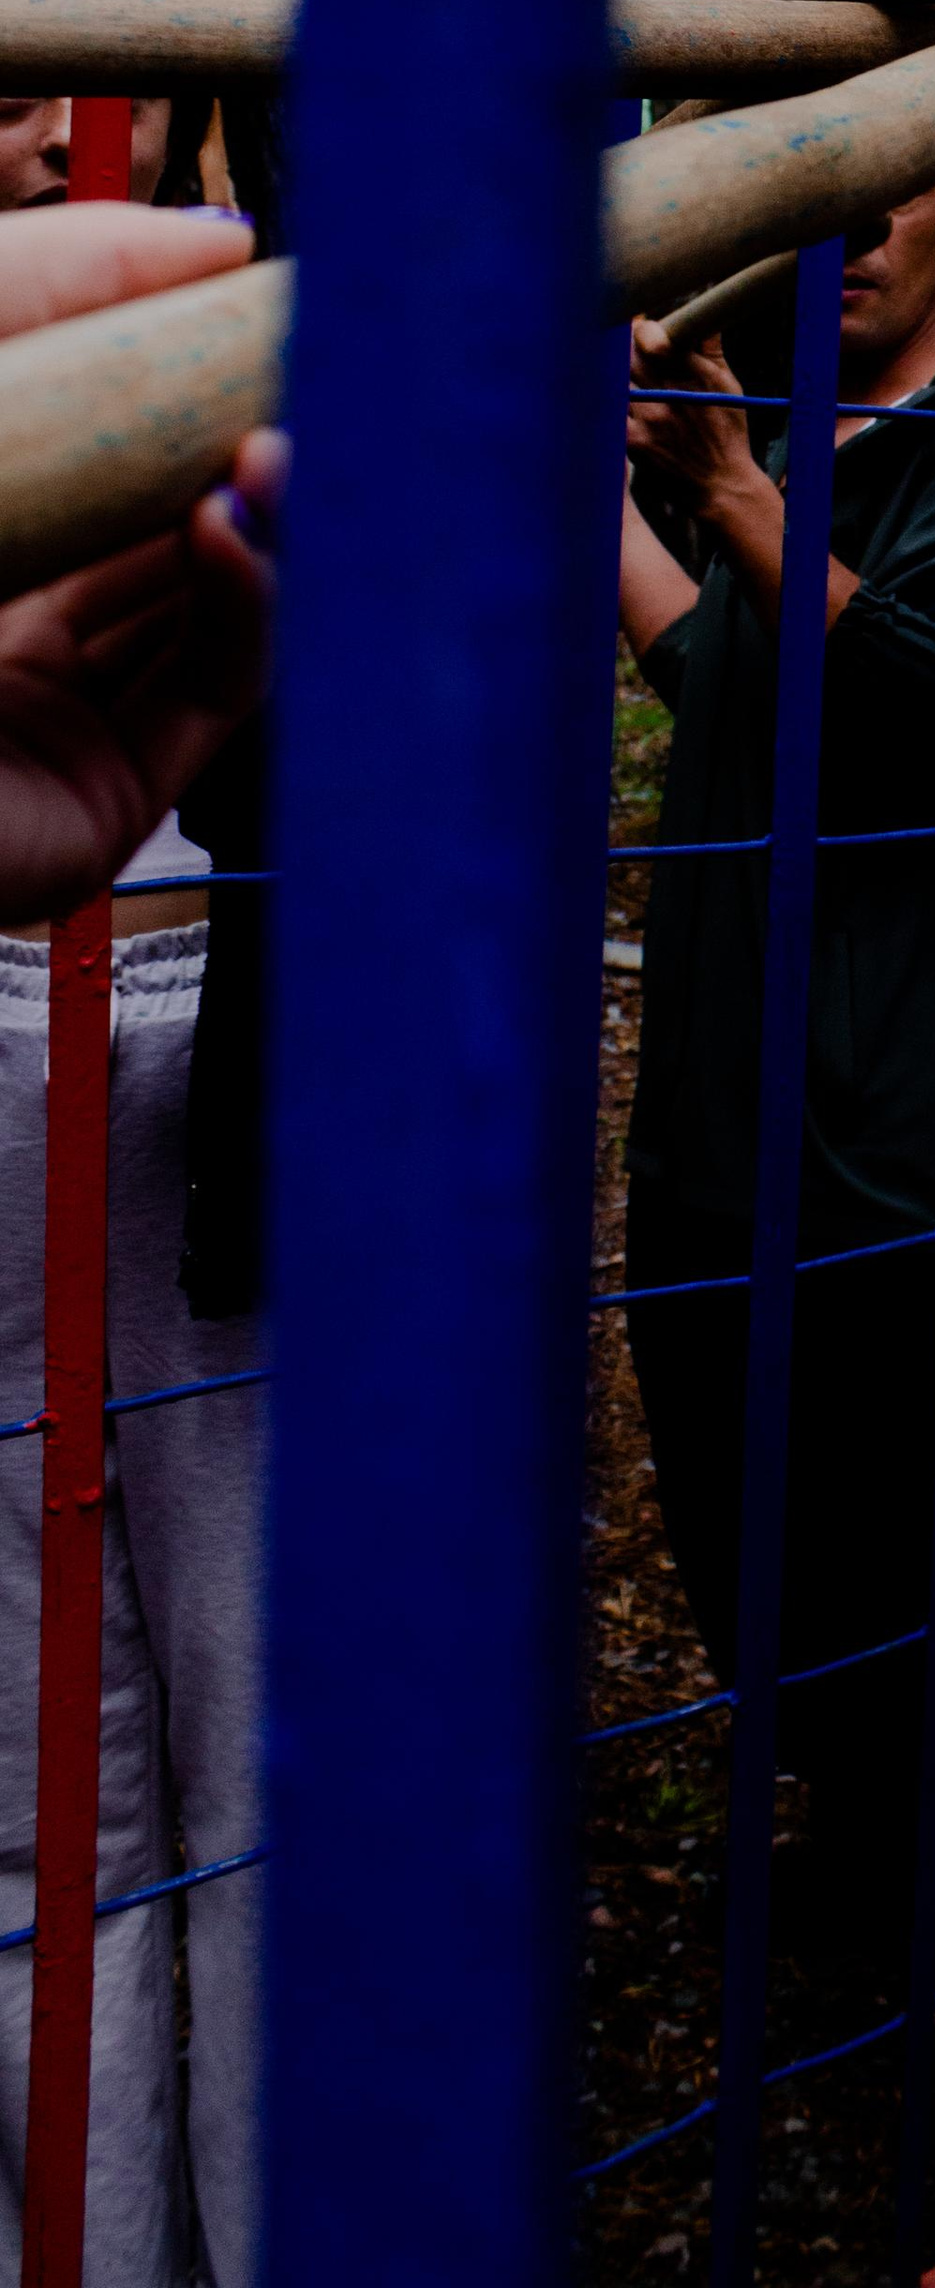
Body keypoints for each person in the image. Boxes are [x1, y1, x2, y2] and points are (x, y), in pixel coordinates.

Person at [616, 168, 935, 2004]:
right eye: (816, 195)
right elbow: (733, 678)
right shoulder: (803, 424)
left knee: (913, 1566)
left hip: (885, 1139)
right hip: (718, 1113)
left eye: (891, 193)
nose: (851, 233)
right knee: (755, 1547)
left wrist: (737, 492)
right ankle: (867, 1849)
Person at [0, 180, 275, 2288]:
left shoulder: (264, 289)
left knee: (272, 1759)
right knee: (32, 1781)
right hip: (17, 1027)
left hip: (241, 1043)